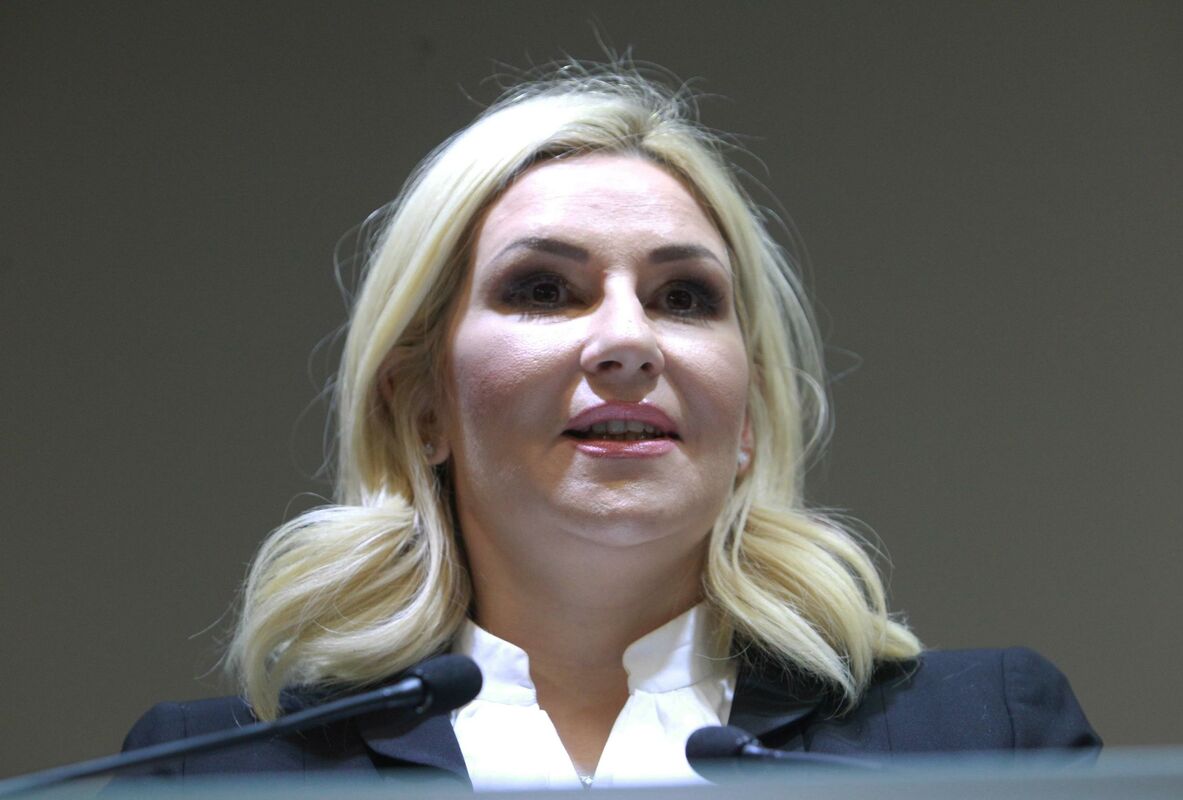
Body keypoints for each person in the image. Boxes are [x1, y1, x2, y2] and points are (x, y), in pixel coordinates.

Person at [122, 63, 1099, 790]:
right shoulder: (207, 775)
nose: (629, 341)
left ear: (749, 416)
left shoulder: (985, 740)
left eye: (684, 297)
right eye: (544, 290)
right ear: (420, 406)